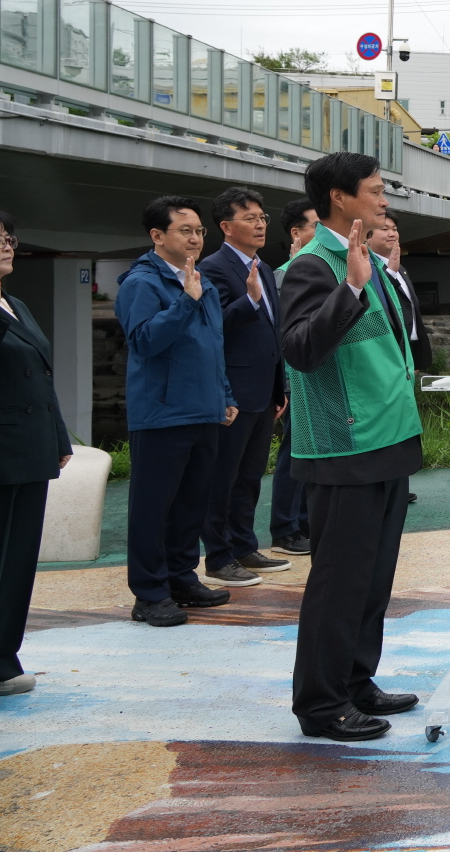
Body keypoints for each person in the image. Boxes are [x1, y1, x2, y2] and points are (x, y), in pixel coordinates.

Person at [281, 152, 423, 741]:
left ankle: (357, 681)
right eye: (375, 188)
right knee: (339, 580)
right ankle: (321, 704)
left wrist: (367, 276)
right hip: (344, 445)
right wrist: (351, 289)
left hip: (388, 440)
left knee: (372, 579)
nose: (385, 198)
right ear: (339, 197)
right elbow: (300, 349)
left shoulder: (365, 258)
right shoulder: (313, 266)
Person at [0, 204, 71, 721]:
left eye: (9, 237)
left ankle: (0, 659)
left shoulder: (16, 303)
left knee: (16, 564)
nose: (7, 245)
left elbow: (39, 377)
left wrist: (58, 437)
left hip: (27, 451)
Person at [115, 197, 239, 627]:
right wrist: (186, 300)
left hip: (204, 409)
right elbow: (144, 341)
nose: (195, 238)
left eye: (199, 231)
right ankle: (149, 594)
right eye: (185, 230)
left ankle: (182, 579)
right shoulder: (141, 283)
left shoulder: (197, 279)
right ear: (157, 236)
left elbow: (212, 345)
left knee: (191, 504)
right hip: (163, 414)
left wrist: (225, 392)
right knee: (154, 507)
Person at [197, 187, 290, 587]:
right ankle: (218, 557)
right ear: (225, 226)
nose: (259, 224)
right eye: (250, 218)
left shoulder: (264, 268)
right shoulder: (213, 268)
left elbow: (274, 331)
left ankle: (243, 545)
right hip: (233, 390)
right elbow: (212, 324)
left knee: (250, 474)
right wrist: (249, 301)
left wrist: (280, 384)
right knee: (224, 476)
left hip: (263, 387)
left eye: (262, 218)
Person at [266, 198, 318, 556]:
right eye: (316, 225)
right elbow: (284, 336)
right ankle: (284, 529)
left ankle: (302, 522)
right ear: (296, 233)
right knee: (292, 453)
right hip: (293, 379)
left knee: (308, 451)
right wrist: (282, 386)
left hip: (312, 377)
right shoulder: (285, 275)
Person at [366, 215, 431, 372]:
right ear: (367, 238)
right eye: (384, 229)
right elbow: (378, 302)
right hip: (389, 348)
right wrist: (391, 274)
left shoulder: (400, 268)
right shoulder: (367, 268)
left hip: (411, 344)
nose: (392, 233)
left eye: (394, 229)